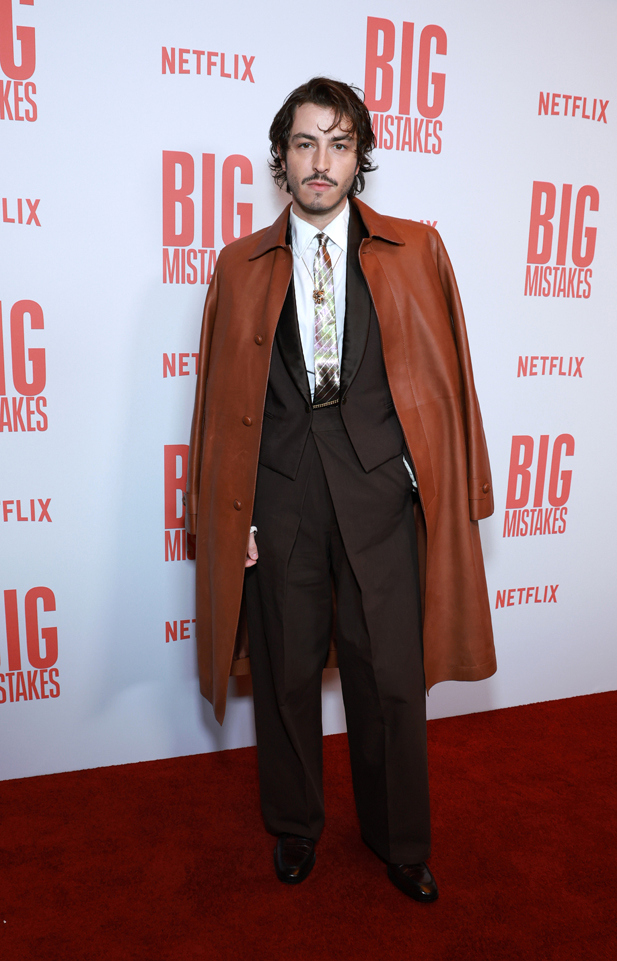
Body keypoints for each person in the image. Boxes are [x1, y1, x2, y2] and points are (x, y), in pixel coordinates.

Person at [185, 77, 496, 903]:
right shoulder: (238, 264)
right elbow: (216, 403)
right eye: (304, 143)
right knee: (285, 669)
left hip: (378, 490)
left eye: (339, 143)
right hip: (280, 491)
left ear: (360, 159)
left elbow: (451, 378)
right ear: (281, 157)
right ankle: (295, 824)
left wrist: (433, 481)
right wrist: (227, 513)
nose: (320, 162)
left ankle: (400, 838)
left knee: (388, 671)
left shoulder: (415, 250)